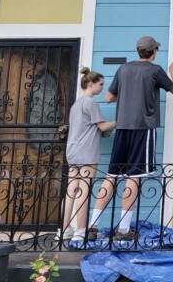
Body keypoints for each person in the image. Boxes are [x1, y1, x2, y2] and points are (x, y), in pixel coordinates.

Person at [87, 36, 173, 241]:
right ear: (153, 51)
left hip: (122, 128)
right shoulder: (155, 70)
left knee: (111, 176)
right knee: (134, 177)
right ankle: (123, 230)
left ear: (138, 51)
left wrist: (130, 94)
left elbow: (108, 98)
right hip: (143, 129)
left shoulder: (123, 69)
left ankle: (92, 226)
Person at [57, 67, 115, 243]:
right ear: (90, 84)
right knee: (83, 190)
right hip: (87, 152)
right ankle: (80, 230)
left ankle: (63, 230)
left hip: (73, 151)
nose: (102, 88)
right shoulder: (90, 103)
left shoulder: (76, 104)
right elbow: (102, 127)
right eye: (100, 85)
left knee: (71, 190)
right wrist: (121, 119)